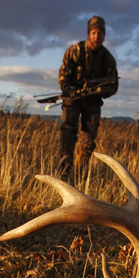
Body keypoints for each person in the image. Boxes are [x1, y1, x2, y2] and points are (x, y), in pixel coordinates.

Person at [58, 16, 118, 176]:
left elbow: (113, 85)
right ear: (88, 34)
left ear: (104, 36)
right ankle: (65, 165)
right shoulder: (74, 51)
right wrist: (66, 87)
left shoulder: (108, 59)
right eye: (93, 32)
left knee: (88, 141)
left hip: (92, 102)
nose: (96, 36)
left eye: (99, 33)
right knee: (68, 127)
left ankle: (77, 176)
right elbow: (63, 72)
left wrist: (100, 91)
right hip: (73, 97)